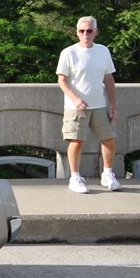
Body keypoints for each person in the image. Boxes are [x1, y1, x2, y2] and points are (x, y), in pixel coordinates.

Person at [56, 16, 119, 193]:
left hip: (99, 104)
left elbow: (109, 78)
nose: (85, 34)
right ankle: (75, 177)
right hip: (75, 107)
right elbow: (62, 80)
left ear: (96, 32)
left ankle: (107, 174)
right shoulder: (68, 53)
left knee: (109, 139)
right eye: (82, 31)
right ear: (76, 32)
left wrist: (113, 105)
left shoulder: (103, 51)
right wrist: (76, 99)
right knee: (77, 141)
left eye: (89, 31)